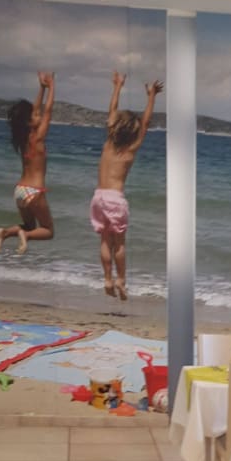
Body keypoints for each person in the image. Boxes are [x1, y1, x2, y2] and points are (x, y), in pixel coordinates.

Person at [90, 72, 163, 301]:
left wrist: (117, 87)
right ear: (133, 131)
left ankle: (107, 279)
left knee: (105, 241)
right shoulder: (131, 149)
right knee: (119, 244)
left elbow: (111, 112)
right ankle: (121, 280)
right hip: (115, 198)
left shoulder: (108, 143)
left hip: (98, 197)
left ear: (114, 128)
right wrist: (151, 97)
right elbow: (146, 123)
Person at [0, 72, 55, 255]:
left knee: (29, 225)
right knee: (48, 231)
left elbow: (36, 110)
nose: (38, 114)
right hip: (34, 191)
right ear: (29, 121)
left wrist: (41, 88)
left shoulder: (22, 138)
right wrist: (52, 86)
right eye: (35, 114)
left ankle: (4, 232)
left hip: (20, 191)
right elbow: (48, 110)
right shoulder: (38, 138)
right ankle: (24, 236)